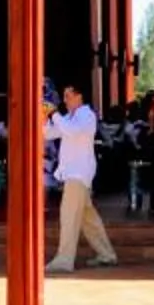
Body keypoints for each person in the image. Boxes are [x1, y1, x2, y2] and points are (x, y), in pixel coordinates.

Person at [42, 81, 119, 273]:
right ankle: (106, 254)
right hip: (75, 174)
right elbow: (49, 134)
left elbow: (71, 130)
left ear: (79, 96)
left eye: (68, 96)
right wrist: (44, 118)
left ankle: (64, 260)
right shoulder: (69, 117)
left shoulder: (87, 115)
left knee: (68, 216)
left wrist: (53, 114)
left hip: (78, 174)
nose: (65, 100)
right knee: (88, 218)